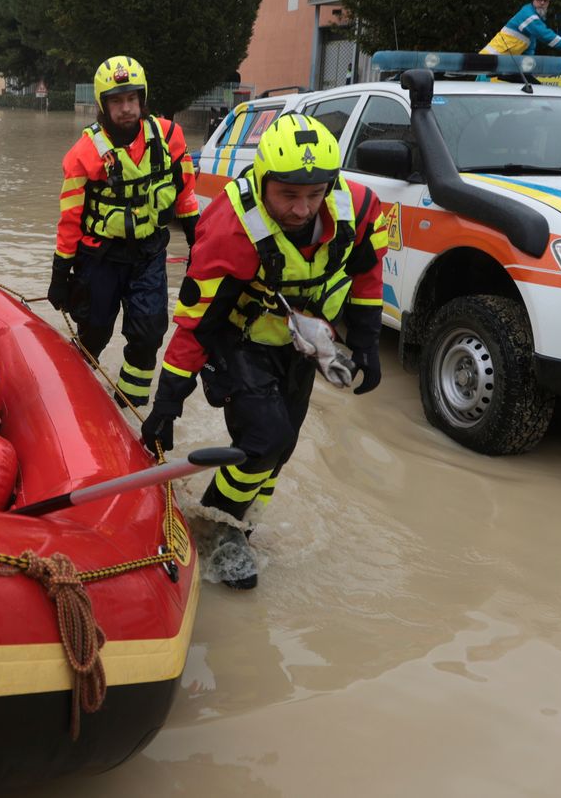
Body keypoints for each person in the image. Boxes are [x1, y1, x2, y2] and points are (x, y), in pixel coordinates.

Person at [139, 114, 389, 590]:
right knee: (264, 436)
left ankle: (243, 526)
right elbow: (196, 323)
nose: (302, 209)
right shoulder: (230, 227)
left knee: (284, 445)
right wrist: (168, 401)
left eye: (314, 195)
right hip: (236, 341)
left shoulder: (358, 207)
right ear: (263, 178)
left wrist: (367, 342)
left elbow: (366, 274)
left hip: (298, 346)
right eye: (288, 195)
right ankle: (217, 524)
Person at [47, 55, 199, 407]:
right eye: (117, 101)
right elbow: (70, 219)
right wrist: (60, 273)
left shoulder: (170, 138)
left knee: (149, 333)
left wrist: (198, 247)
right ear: (103, 105)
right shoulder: (83, 154)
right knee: (94, 331)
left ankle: (129, 408)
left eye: (132, 99)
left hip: (148, 255)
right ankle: (75, 398)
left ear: (142, 99)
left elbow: (186, 195)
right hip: (99, 257)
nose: (127, 108)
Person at [481, 0, 561, 62]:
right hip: (490, 61)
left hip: (500, 63)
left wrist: (529, 66)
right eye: (539, 0)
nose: (542, 3)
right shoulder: (529, 16)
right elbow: (544, 34)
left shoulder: (534, 22)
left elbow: (529, 48)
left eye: (545, 1)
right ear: (533, 0)